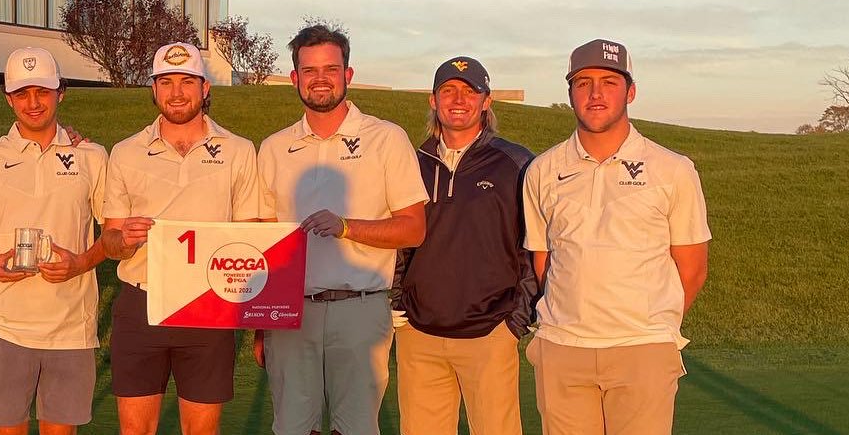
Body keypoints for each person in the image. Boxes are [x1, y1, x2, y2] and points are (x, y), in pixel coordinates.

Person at [522, 39, 711, 434]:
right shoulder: (542, 170)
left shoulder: (673, 169)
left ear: (631, 91)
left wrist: (650, 326)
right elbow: (544, 259)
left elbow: (692, 268)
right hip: (563, 347)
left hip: (642, 349)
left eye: (609, 82)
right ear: (570, 93)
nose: (595, 94)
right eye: (583, 82)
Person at [253, 24, 427, 435]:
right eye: (309, 70)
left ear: (348, 75)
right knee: (293, 427)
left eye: (331, 68)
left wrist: (347, 227)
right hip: (290, 312)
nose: (320, 78)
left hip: (360, 308)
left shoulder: (386, 138)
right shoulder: (274, 147)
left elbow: (413, 229)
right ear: (295, 78)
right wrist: (260, 319)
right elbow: (261, 237)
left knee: (356, 428)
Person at [101, 42, 261, 435]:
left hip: (209, 305)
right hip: (142, 301)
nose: (176, 92)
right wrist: (125, 239)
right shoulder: (125, 152)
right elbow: (109, 241)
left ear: (205, 88)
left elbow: (251, 235)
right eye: (166, 82)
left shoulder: (239, 151)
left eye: (187, 81)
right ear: (153, 89)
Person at [0, 47, 109, 435]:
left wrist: (82, 262)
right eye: (22, 93)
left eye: (43, 91)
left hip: (71, 328)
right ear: (8, 98)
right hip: (4, 325)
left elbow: (113, 234)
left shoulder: (91, 156)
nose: (33, 103)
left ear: (61, 92)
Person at [390, 56, 535, 435]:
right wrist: (396, 302)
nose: (459, 99)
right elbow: (399, 239)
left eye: (470, 91)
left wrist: (515, 320)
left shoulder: (517, 163)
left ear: (487, 101)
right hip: (419, 333)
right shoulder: (410, 162)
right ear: (433, 100)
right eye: (448, 90)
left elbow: (535, 247)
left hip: (490, 331)